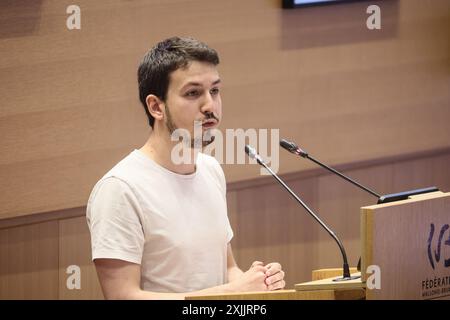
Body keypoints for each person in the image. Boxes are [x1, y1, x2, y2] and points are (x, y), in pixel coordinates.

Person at [86, 36, 285, 300]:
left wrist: (256, 282)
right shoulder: (119, 190)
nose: (209, 106)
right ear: (156, 106)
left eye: (214, 90)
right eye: (193, 93)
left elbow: (228, 269)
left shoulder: (210, 169)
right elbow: (123, 296)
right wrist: (230, 292)